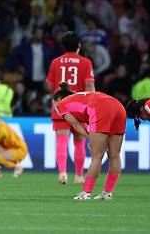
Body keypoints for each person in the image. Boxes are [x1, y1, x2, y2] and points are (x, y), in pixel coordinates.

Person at [53, 83, 125, 200]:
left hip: (100, 108)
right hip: (118, 106)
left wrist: (90, 138)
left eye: (54, 102)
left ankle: (86, 193)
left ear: (59, 99)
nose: (54, 107)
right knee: (115, 155)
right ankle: (107, 193)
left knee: (96, 156)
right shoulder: (80, 96)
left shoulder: (60, 105)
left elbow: (76, 124)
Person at [45, 31, 95, 184]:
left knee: (61, 140)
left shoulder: (55, 62)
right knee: (79, 141)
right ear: (78, 46)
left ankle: (62, 173)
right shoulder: (86, 62)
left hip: (60, 104)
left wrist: (55, 97)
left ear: (63, 46)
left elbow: (50, 85)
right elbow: (89, 86)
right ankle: (79, 175)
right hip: (79, 106)